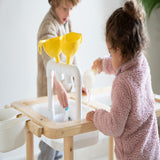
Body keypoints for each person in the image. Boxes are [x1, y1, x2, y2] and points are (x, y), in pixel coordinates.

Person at [86, 0, 160, 159]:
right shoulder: (141, 63)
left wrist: (96, 116)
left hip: (132, 155)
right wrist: (103, 64)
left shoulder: (122, 85)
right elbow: (123, 65)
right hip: (150, 150)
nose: (110, 57)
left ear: (119, 50)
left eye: (111, 54)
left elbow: (114, 126)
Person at [37, 0, 81, 159]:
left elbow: (72, 56)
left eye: (70, 9)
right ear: (54, 3)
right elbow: (48, 63)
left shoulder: (66, 23)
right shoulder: (48, 26)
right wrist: (58, 87)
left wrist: (77, 84)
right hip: (49, 94)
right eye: (64, 8)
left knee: (61, 144)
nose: (68, 13)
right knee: (49, 143)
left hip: (63, 93)